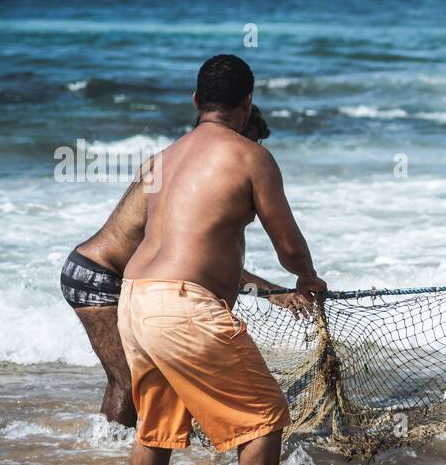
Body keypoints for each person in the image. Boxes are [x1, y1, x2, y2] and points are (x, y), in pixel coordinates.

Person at [118, 54, 325, 465]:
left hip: (135, 298)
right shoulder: (251, 156)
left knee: (157, 423)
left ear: (196, 101)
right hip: (184, 306)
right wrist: (308, 280)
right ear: (248, 103)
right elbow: (289, 246)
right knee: (266, 418)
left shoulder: (162, 159)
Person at [59, 104, 288, 427]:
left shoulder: (172, 161)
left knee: (125, 382)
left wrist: (266, 290)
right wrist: (271, 290)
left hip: (92, 271)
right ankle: (111, 460)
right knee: (134, 387)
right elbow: (182, 257)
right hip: (101, 276)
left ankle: (108, 453)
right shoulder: (193, 175)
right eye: (245, 141)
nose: (248, 151)